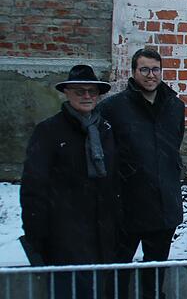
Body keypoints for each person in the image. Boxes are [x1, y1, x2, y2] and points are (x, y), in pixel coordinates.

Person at [21, 65, 118, 298]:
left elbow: (113, 180)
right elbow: (34, 186)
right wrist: (38, 235)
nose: (87, 96)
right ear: (67, 93)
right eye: (79, 91)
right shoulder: (49, 131)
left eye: (92, 92)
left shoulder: (104, 129)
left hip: (102, 235)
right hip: (64, 236)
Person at [100, 48, 186, 299]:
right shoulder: (113, 108)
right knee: (118, 268)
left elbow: (174, 146)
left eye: (156, 69)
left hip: (164, 202)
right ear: (134, 72)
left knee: (156, 268)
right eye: (145, 69)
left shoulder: (175, 106)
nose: (151, 75)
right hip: (129, 203)